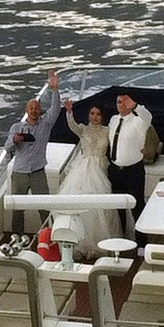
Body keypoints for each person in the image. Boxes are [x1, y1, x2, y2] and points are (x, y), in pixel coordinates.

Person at [60, 102, 117, 244]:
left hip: (100, 168)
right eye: (92, 113)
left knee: (98, 205)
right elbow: (72, 125)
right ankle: (77, 240)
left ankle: (97, 241)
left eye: (98, 114)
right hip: (82, 169)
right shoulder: (83, 129)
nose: (95, 117)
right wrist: (69, 112)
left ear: (102, 116)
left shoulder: (108, 130)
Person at [4, 69, 63, 197]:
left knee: (43, 205)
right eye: (31, 108)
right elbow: (7, 148)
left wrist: (55, 89)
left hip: (38, 172)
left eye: (36, 108)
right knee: (18, 206)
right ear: (26, 110)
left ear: (40, 110)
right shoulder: (16, 127)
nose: (34, 110)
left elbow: (56, 108)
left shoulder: (45, 124)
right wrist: (14, 140)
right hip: (19, 172)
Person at [107, 92, 155, 214]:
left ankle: (140, 227)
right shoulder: (113, 119)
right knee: (118, 207)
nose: (122, 105)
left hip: (133, 172)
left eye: (126, 102)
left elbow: (148, 117)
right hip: (115, 170)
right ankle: (122, 227)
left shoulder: (138, 122)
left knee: (137, 205)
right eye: (119, 102)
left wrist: (136, 107)